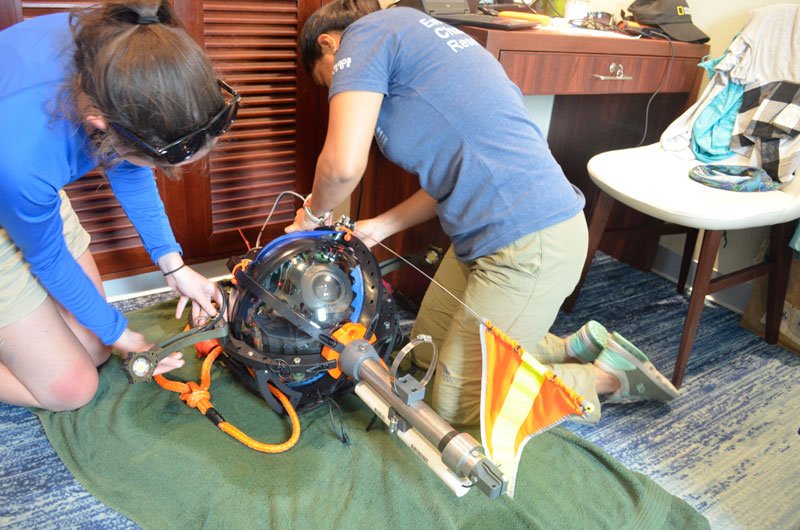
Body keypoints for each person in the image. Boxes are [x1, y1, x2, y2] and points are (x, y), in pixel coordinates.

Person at [288, 0, 679, 425]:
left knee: (455, 407)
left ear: (329, 44)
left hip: (533, 242)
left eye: (326, 81)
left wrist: (309, 217)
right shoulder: (416, 34)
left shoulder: (365, 36)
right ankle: (568, 345)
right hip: (484, 239)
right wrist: (381, 226)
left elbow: (343, 166)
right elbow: (452, 179)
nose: (334, 92)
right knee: (422, 355)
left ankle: (605, 377)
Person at [0, 1, 237, 412]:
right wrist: (122, 333)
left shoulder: (120, 45)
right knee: (73, 388)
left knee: (95, 350)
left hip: (25, 194)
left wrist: (173, 266)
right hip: (15, 180)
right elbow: (50, 259)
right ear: (100, 124)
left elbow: (127, 162)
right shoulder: (22, 157)